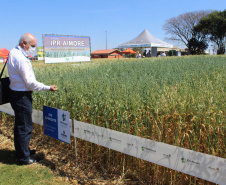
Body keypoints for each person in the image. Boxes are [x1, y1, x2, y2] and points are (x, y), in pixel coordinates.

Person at [7, 33, 58, 165]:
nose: (33, 49)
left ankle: (23, 151)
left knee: (20, 125)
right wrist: (47, 87)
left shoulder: (13, 52)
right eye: (32, 46)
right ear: (24, 43)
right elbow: (30, 83)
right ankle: (23, 158)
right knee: (25, 127)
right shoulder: (21, 58)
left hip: (15, 94)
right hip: (22, 96)